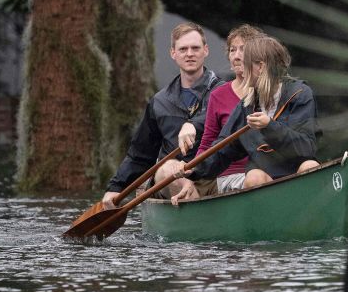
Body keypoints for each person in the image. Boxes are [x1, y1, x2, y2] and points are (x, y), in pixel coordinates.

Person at [173, 35, 320, 203]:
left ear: (261, 67)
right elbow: (223, 149)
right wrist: (193, 169)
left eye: (245, 64)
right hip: (264, 174)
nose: (240, 69)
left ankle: (307, 221)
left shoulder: (300, 94)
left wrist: (269, 126)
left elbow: (307, 148)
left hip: (295, 169)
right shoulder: (247, 105)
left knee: (310, 167)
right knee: (254, 177)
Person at [100, 22, 223, 208]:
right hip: (171, 180)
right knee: (168, 169)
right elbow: (140, 155)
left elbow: (222, 115)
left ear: (205, 50)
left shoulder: (223, 91)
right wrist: (115, 187)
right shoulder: (159, 102)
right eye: (183, 49)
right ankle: (196, 218)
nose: (189, 53)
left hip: (211, 177)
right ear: (173, 53)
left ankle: (198, 217)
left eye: (195, 48)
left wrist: (193, 124)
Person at [186, 24, 266, 197]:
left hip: (269, 172)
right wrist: (193, 178)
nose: (236, 56)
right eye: (232, 50)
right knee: (256, 179)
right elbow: (207, 142)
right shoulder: (218, 95)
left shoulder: (271, 92)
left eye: (243, 50)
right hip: (230, 177)